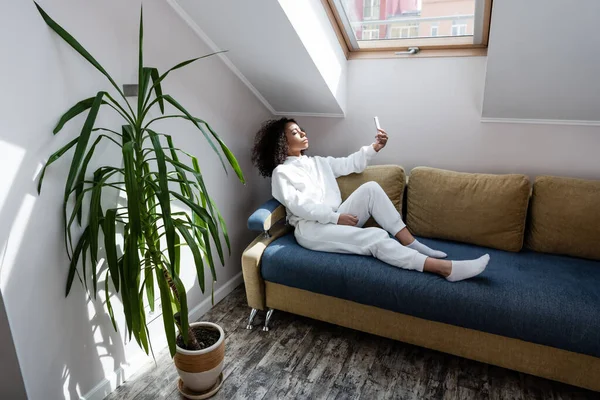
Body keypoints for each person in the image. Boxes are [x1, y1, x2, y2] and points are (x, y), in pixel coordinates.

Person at [251, 118, 489, 282]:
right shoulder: (282, 173)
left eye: (300, 129)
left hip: (337, 218)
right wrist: (335, 218)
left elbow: (349, 163)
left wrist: (375, 147)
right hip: (312, 230)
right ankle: (445, 269)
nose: (302, 133)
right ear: (282, 143)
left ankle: (412, 243)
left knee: (371, 189)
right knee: (375, 237)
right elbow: (298, 206)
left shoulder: (318, 162)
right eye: (295, 132)